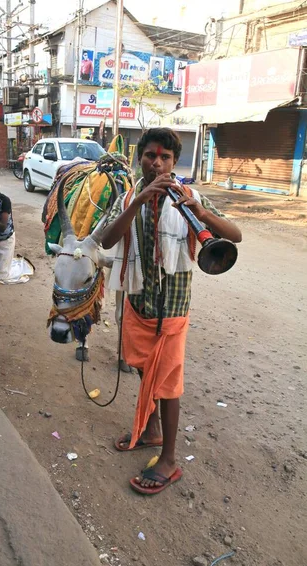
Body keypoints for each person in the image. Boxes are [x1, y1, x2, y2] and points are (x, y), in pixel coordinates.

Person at [102, 127, 242, 495]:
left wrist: (200, 213)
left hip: (173, 308)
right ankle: (150, 430)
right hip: (138, 301)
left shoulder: (189, 195)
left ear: (173, 161)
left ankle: (169, 459)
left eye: (165, 157)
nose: (157, 163)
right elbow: (106, 240)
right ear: (140, 159)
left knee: (167, 385)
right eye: (150, 155)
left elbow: (235, 235)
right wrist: (137, 201)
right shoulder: (130, 195)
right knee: (141, 365)